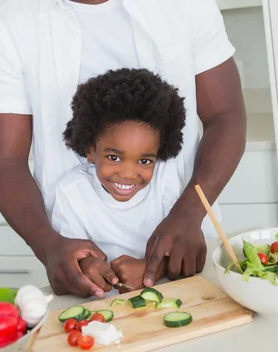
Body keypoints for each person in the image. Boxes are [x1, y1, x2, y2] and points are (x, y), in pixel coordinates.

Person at [0, 0, 246, 299]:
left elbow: (226, 115)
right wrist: (48, 245)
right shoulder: (12, 26)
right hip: (80, 265)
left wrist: (189, 215)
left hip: (186, 246)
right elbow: (5, 162)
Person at [51, 67, 220, 294]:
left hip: (172, 294)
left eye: (144, 161)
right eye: (114, 157)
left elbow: (192, 250)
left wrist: (151, 271)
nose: (129, 173)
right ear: (90, 150)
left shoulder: (166, 180)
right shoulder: (71, 193)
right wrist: (87, 267)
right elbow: (71, 258)